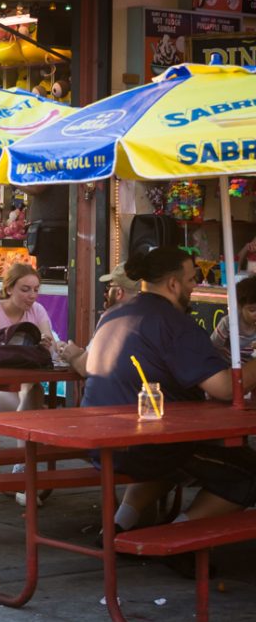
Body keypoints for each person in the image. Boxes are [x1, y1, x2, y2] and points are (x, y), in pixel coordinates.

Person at [83, 246, 256, 575]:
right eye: (192, 279)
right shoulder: (173, 322)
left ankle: (119, 526)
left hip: (99, 439)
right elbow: (224, 387)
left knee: (175, 459)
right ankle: (178, 540)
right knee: (247, 474)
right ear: (174, 284)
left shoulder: (116, 312)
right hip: (142, 443)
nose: (195, 286)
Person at [0, 263, 56, 414]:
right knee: (32, 412)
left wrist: (46, 344)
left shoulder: (37, 309)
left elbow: (51, 348)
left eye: (36, 290)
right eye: (25, 289)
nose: (32, 295)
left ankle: (26, 393)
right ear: (9, 289)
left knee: (32, 403)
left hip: (29, 382)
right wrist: (33, 351)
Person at [58, 262, 139, 376]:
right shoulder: (152, 317)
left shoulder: (114, 318)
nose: (105, 293)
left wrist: (72, 355)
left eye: (109, 287)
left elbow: (85, 367)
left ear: (119, 292)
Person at [210, 275, 256, 363]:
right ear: (239, 307)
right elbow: (213, 348)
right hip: (227, 367)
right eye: (252, 310)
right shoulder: (228, 323)